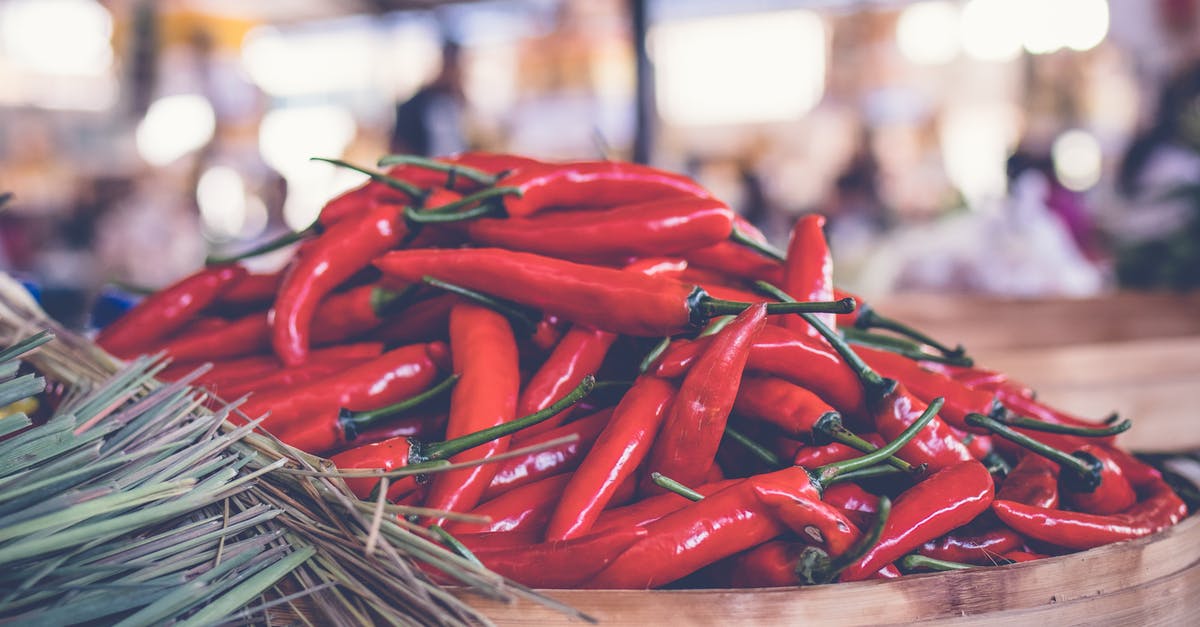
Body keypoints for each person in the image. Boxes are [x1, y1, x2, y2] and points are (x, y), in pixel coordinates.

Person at [390, 41, 467, 157]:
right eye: (451, 65)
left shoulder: (458, 102)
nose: (456, 72)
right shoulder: (414, 106)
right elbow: (399, 147)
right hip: (426, 171)